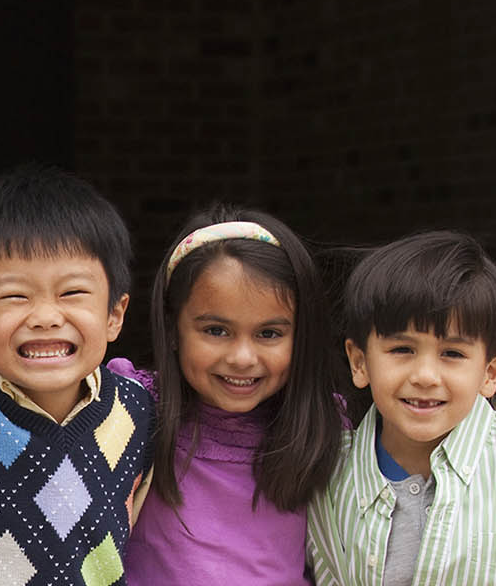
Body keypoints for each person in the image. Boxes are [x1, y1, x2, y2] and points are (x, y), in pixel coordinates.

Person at [0, 164, 155, 585]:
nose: (45, 317)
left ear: (115, 314)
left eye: (73, 293)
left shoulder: (139, 412)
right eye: (15, 296)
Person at [308, 230, 496, 585]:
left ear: (490, 372)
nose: (425, 376)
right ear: (359, 362)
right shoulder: (328, 474)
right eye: (402, 349)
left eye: (452, 354)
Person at [124, 207, 345, 585]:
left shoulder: (320, 429)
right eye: (216, 330)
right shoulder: (134, 411)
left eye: (269, 334)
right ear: (174, 328)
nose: (243, 358)